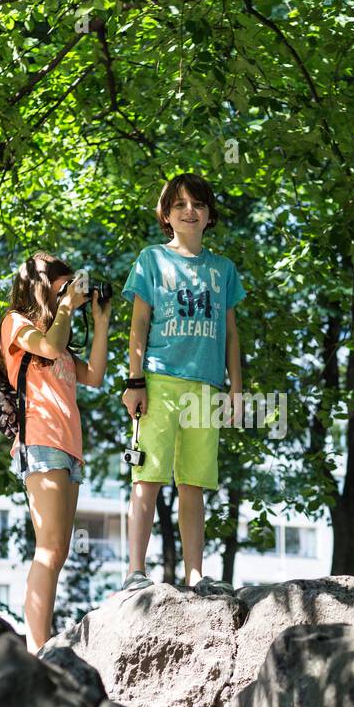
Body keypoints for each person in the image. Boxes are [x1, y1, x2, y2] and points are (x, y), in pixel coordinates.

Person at [119, 173, 244, 595]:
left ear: (209, 215)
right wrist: (135, 381)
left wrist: (237, 388)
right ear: (166, 215)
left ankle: (195, 574)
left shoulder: (223, 270)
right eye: (179, 205)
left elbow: (231, 333)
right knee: (147, 475)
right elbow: (138, 324)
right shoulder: (152, 260)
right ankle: (136, 571)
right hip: (158, 379)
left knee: (195, 482)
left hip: (207, 386)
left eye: (198, 204)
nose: (189, 210)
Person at [0, 252, 109, 650]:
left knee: (57, 552)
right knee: (48, 549)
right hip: (40, 442)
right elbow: (51, 347)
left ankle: (41, 643)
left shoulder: (60, 336)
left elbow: (93, 375)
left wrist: (102, 320)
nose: (69, 295)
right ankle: (37, 649)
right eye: (63, 287)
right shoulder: (15, 324)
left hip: (69, 448)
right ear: (42, 288)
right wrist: (67, 309)